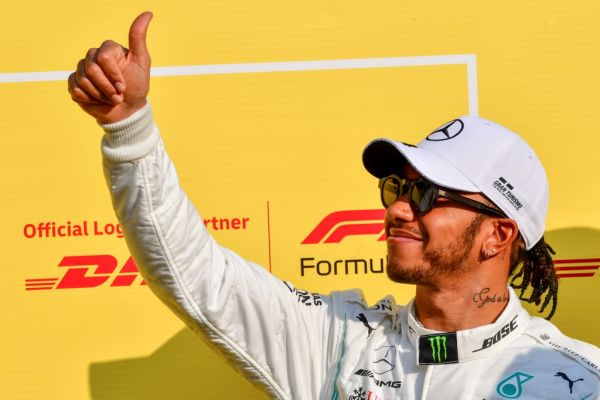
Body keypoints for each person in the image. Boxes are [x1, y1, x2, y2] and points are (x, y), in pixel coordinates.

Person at [69, 12, 600, 400]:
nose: (396, 210)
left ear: (498, 235)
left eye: (424, 195)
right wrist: (128, 126)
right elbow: (193, 274)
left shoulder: (576, 380)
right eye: (395, 188)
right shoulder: (341, 339)